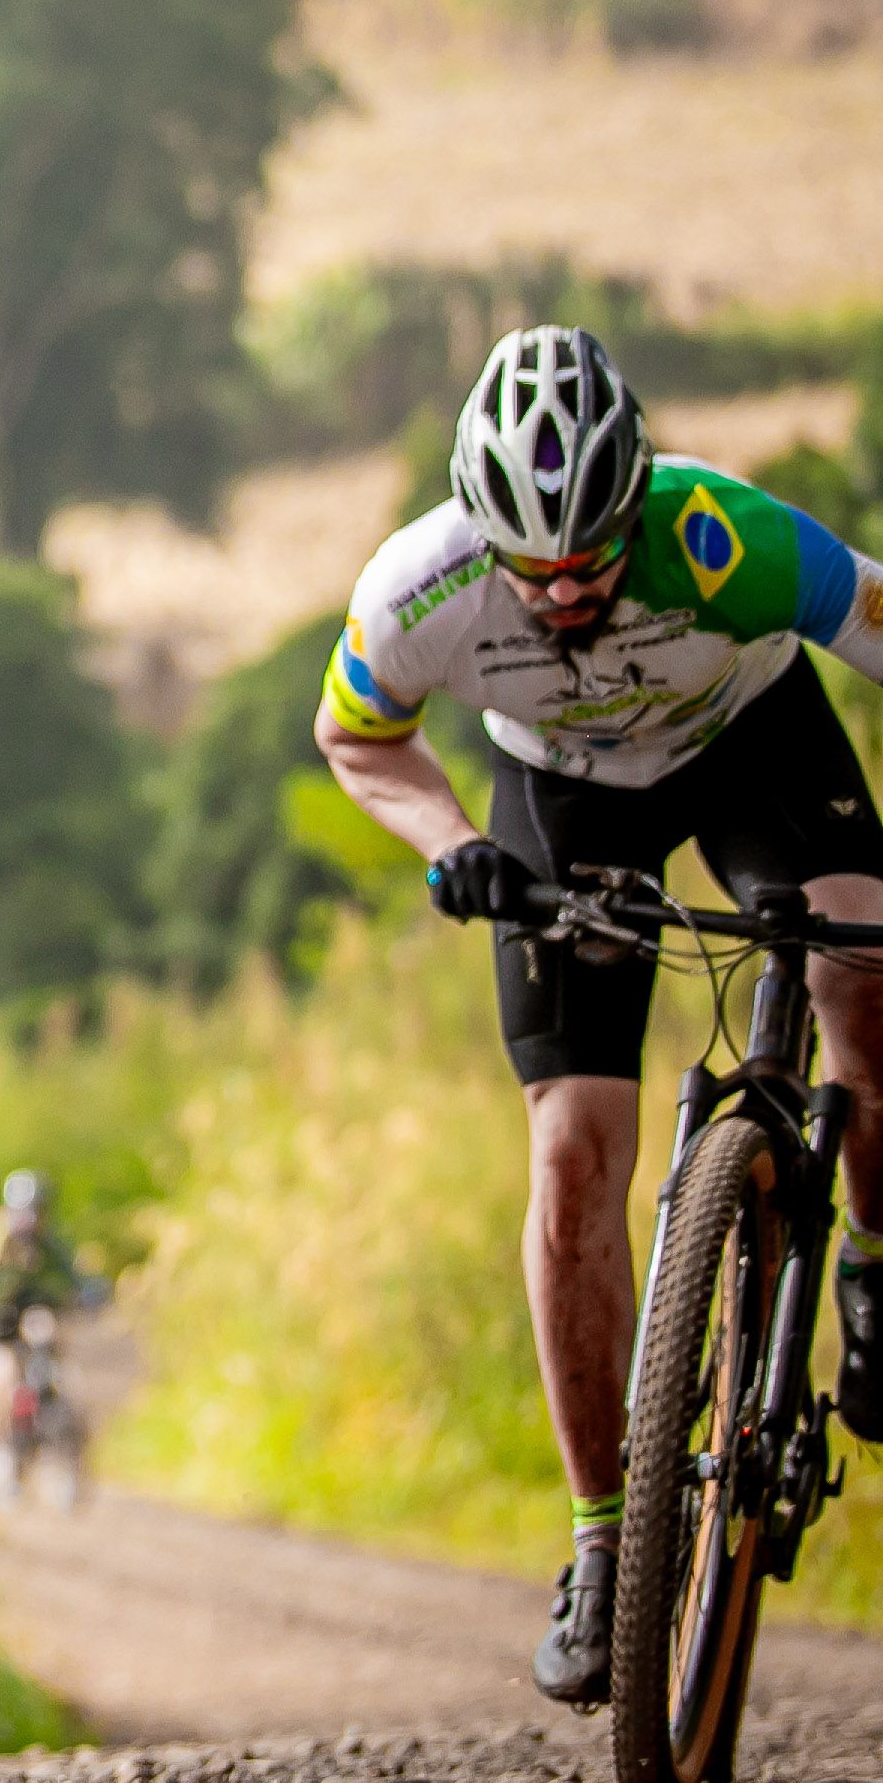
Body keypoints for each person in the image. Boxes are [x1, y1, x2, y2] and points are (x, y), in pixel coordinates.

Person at [310, 325, 883, 1708]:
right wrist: (453, 844)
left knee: (861, 966)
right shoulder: (418, 587)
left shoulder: (730, 538)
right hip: (564, 797)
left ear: (638, 504)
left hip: (752, 744)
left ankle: (873, 1264)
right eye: (536, 569)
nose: (566, 590)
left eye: (593, 559)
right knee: (572, 1153)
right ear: (479, 530)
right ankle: (603, 1543)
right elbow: (356, 738)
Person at [0, 1167, 95, 1500]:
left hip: (31, 1313)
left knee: (49, 1339)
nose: (30, 1220)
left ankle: (66, 1442)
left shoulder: (47, 1242)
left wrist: (87, 1291)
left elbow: (71, 1274)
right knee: (0, 1372)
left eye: (37, 1211)